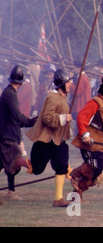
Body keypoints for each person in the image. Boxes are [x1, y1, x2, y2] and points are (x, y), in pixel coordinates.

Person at [70, 73, 103, 202]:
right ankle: (75, 174)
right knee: (95, 164)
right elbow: (82, 118)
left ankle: (78, 192)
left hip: (100, 142)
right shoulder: (95, 102)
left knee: (98, 168)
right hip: (89, 142)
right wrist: (84, 135)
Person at [25, 69, 74, 207]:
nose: (70, 84)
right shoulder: (53, 97)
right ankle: (17, 162)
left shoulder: (62, 97)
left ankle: (58, 199)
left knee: (61, 165)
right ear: (62, 84)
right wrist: (64, 118)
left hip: (58, 140)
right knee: (37, 169)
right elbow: (47, 117)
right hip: (47, 140)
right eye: (68, 82)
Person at [0, 65, 37, 201]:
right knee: (14, 163)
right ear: (21, 82)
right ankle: (11, 192)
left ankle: (11, 191)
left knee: (8, 164)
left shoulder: (9, 92)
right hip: (7, 135)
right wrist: (30, 122)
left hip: (8, 133)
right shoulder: (10, 93)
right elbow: (16, 114)